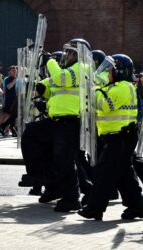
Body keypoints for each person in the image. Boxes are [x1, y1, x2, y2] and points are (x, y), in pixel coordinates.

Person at [78, 54, 143, 220]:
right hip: (119, 137)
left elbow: (105, 105)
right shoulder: (116, 86)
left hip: (121, 137)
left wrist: (94, 91)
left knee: (104, 172)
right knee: (123, 173)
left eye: (110, 71)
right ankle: (138, 206)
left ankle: (94, 208)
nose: (108, 74)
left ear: (120, 71)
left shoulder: (123, 87)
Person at [35, 38, 92, 212]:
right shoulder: (68, 70)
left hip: (70, 121)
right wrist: (41, 88)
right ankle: (52, 185)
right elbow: (54, 85)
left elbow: (59, 78)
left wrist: (49, 61)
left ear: (79, 55)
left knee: (66, 160)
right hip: (58, 121)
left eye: (70, 52)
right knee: (38, 142)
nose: (67, 55)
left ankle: (71, 198)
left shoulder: (82, 68)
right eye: (66, 52)